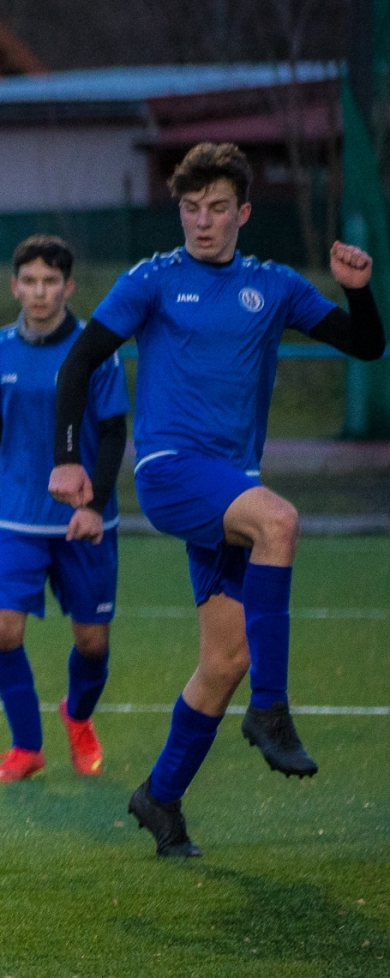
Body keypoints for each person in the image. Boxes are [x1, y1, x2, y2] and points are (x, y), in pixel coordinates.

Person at [50, 142, 384, 856]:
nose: (202, 221)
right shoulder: (153, 279)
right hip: (171, 471)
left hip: (231, 485)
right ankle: (272, 709)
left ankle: (160, 797)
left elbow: (365, 346)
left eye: (217, 208)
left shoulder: (275, 285)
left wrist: (358, 290)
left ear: (244, 213)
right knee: (280, 521)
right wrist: (67, 459)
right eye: (191, 207)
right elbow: (79, 360)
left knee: (224, 661)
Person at [0, 235, 128, 783]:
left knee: (92, 643)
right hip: (17, 514)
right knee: (3, 632)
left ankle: (78, 716)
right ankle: (26, 748)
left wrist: (96, 505)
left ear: (69, 287)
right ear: (14, 286)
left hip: (82, 519)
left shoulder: (95, 349)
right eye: (30, 281)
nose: (40, 291)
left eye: (50, 281)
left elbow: (114, 433)